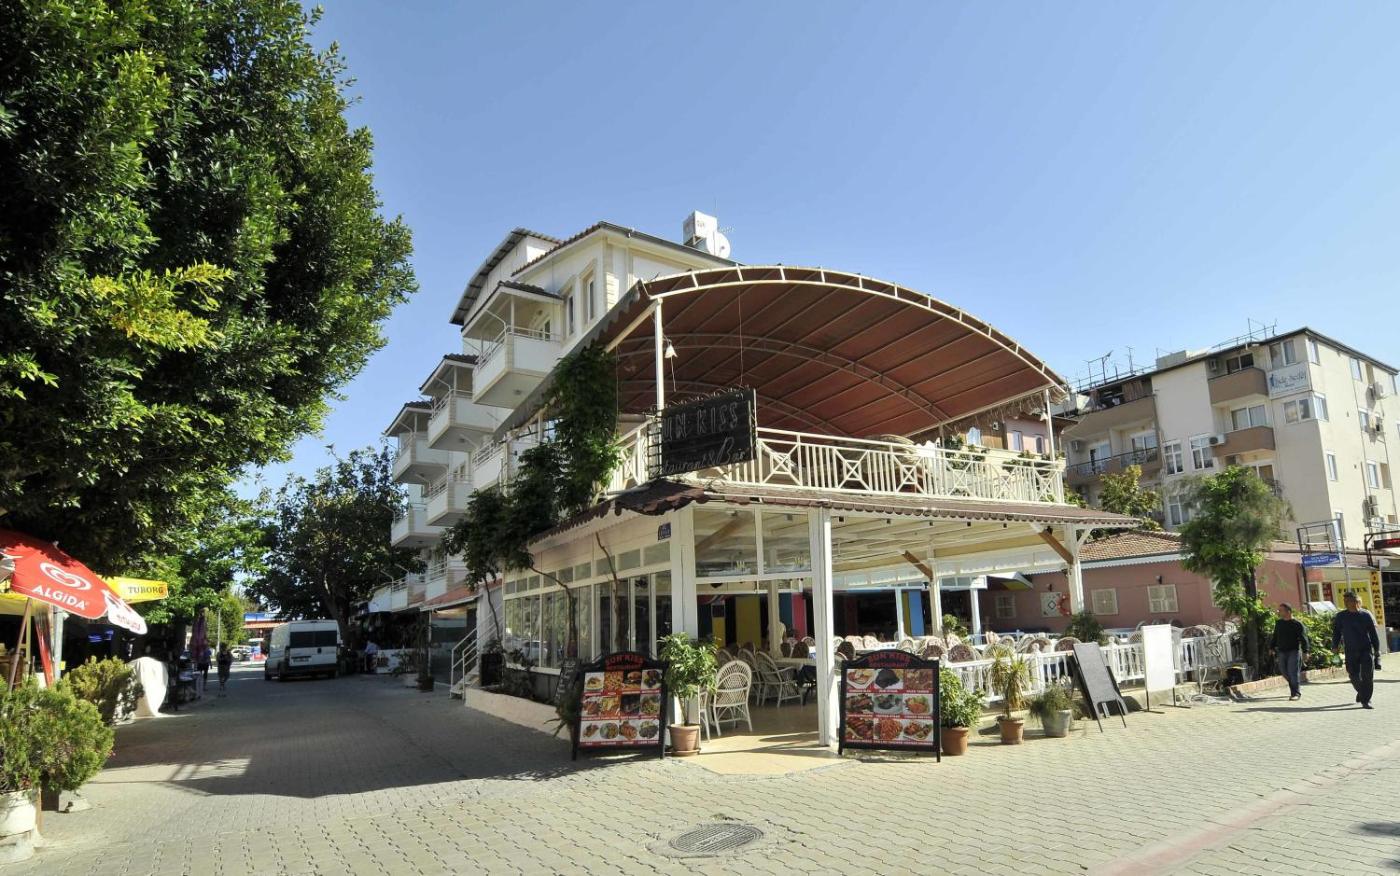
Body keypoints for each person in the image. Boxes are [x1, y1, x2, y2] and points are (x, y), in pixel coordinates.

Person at [1331, 591, 1382, 709]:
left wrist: (1377, 650)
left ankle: (1366, 700)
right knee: (1353, 675)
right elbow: (1336, 632)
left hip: (1365, 649)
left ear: (1355, 602)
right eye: (1345, 601)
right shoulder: (1341, 616)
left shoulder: (1366, 615)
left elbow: (1373, 634)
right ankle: (1362, 693)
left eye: (1348, 601)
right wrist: (1335, 646)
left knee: (1367, 676)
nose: (1345, 603)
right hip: (1350, 650)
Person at [1271, 603, 1310, 700]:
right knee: (1284, 672)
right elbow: (1275, 636)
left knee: (1293, 672)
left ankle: (1295, 693)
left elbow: (1304, 638)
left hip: (1294, 651)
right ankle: (1294, 687)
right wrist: (1271, 647)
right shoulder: (1279, 623)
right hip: (1281, 651)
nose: (1278, 612)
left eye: (1281, 610)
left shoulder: (1297, 624)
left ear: (1288, 611)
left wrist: (1306, 652)